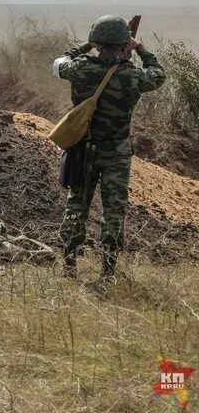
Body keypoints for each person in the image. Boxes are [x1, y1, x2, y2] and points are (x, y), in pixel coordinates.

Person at [52, 15, 166, 281]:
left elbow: (58, 63)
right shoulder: (133, 76)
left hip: (82, 150)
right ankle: (108, 272)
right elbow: (158, 75)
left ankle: (69, 268)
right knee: (114, 211)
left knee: (76, 207)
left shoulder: (79, 68)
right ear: (123, 43)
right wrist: (140, 49)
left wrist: (84, 46)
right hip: (116, 153)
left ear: (97, 41)